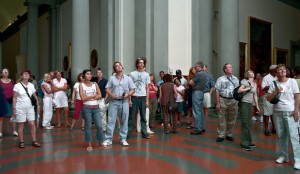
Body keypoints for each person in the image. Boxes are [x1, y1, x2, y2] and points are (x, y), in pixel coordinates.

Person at [267, 64, 300, 170]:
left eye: (284, 69)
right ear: (276, 73)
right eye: (280, 70)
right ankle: (284, 156)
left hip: (290, 112)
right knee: (281, 135)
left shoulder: (292, 81)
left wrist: (296, 111)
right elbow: (268, 98)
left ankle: (298, 160)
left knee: (293, 136)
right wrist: (276, 91)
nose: (283, 70)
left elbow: (297, 96)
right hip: (277, 112)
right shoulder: (274, 83)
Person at [103, 61, 135, 147]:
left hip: (124, 102)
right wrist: (111, 94)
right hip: (114, 101)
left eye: (120, 65)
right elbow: (107, 88)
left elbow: (133, 89)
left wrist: (128, 94)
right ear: (115, 69)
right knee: (111, 120)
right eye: (116, 66)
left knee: (124, 120)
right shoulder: (111, 78)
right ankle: (108, 139)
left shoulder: (128, 78)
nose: (119, 67)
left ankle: (123, 139)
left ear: (122, 67)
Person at [12, 70, 41, 148]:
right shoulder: (17, 86)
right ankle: (21, 141)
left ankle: (34, 140)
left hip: (30, 107)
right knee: (21, 125)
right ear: (21, 76)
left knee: (32, 124)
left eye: (28, 73)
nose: (26, 74)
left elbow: (35, 96)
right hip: (20, 108)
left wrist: (38, 105)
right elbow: (14, 98)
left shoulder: (31, 85)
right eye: (24, 73)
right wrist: (14, 109)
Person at [79, 69, 103, 151]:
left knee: (99, 125)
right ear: (84, 76)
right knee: (88, 126)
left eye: (90, 74)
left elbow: (99, 95)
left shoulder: (95, 84)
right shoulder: (81, 85)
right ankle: (89, 144)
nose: (90, 75)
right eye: (87, 74)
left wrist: (88, 97)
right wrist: (93, 96)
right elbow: (82, 98)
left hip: (96, 107)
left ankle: (100, 142)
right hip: (86, 108)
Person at [215, 63, 239, 142]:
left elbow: (238, 90)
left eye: (232, 67)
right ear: (225, 70)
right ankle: (221, 135)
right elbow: (217, 91)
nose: (232, 68)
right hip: (223, 100)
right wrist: (218, 103)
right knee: (221, 118)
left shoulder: (236, 79)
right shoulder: (220, 79)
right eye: (229, 67)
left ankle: (229, 134)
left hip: (233, 100)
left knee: (232, 118)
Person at [127, 57, 151, 139]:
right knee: (131, 116)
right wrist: (129, 100)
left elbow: (147, 88)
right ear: (137, 64)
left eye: (143, 63)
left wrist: (147, 100)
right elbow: (129, 87)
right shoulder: (132, 74)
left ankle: (144, 133)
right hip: (134, 97)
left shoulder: (146, 74)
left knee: (143, 117)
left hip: (143, 97)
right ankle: (127, 134)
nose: (141, 64)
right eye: (140, 62)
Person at [238, 70, 260, 151]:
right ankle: (244, 143)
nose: (252, 73)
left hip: (250, 104)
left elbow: (255, 95)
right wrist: (249, 87)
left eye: (252, 72)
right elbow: (239, 90)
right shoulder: (245, 82)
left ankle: (249, 141)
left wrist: (257, 106)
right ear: (247, 74)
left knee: (248, 123)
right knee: (245, 123)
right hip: (244, 103)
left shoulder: (255, 83)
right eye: (250, 72)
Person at [188, 61, 206, 135]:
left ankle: (198, 129)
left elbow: (190, 82)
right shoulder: (204, 74)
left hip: (196, 93)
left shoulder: (198, 74)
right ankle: (202, 127)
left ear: (199, 67)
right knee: (201, 111)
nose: (195, 68)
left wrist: (193, 84)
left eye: (195, 67)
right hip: (202, 92)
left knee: (196, 111)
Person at [0, 68, 18, 138]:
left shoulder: (12, 81)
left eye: (7, 71)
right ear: (1, 74)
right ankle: (0, 132)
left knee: (13, 116)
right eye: (4, 72)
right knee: (1, 117)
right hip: (2, 101)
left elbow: (15, 90)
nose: (6, 73)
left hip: (11, 101)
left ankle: (14, 131)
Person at [262, 65, 277, 136]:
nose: (277, 71)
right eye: (275, 70)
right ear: (271, 70)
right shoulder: (266, 77)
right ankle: (266, 129)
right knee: (267, 113)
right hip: (268, 96)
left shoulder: (277, 77)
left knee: (274, 113)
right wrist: (271, 85)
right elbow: (263, 87)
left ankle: (274, 128)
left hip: (276, 96)